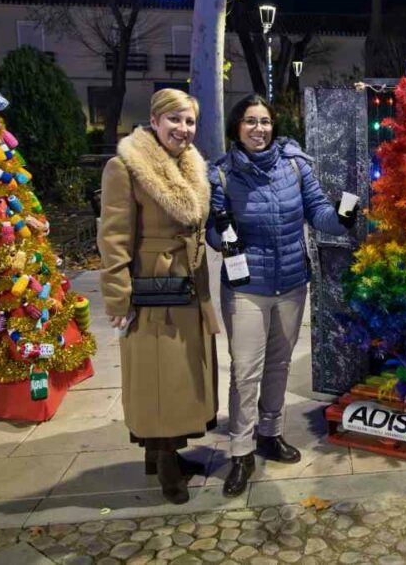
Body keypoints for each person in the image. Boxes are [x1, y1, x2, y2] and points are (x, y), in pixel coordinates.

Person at [207, 94, 357, 498]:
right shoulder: (221, 175)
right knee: (246, 370)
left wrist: (344, 216)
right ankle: (241, 450)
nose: (259, 128)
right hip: (247, 289)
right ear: (237, 128)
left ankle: (270, 432)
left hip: (291, 283)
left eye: (266, 121)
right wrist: (223, 234)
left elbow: (319, 213)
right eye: (251, 122)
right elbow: (211, 230)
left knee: (278, 364)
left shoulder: (294, 167)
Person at [98, 88, 219, 505]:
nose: (183, 129)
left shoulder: (189, 167)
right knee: (158, 375)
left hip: (187, 283)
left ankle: (163, 453)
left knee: (182, 373)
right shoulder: (125, 167)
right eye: (175, 120)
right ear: (155, 120)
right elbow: (113, 238)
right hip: (152, 287)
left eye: (189, 122)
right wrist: (117, 297)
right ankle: (164, 459)